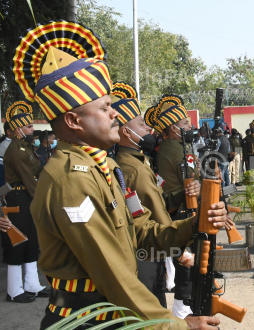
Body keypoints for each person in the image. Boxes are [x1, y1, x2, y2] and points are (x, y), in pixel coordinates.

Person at [13, 21, 226, 329]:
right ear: (73, 120)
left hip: (115, 316)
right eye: (105, 108)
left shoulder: (106, 169)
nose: (115, 114)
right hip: (86, 320)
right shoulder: (70, 179)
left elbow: (140, 233)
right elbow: (110, 272)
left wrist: (195, 224)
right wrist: (178, 325)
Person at [114, 82, 189, 310]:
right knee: (152, 309)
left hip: (153, 247)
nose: (148, 128)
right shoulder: (132, 167)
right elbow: (153, 210)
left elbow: (156, 200)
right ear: (126, 131)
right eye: (141, 124)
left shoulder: (138, 161)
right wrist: (178, 248)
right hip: (146, 250)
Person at [153, 94, 202, 318]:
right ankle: (182, 307)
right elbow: (190, 180)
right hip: (181, 209)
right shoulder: (175, 150)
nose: (189, 126)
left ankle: (184, 303)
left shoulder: (177, 147)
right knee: (187, 260)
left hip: (181, 207)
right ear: (174, 129)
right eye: (184, 123)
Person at [2, 101, 48, 304]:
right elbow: (29, 179)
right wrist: (42, 200)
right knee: (17, 240)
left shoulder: (26, 148)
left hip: (27, 196)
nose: (32, 130)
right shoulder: (16, 150)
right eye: (29, 127)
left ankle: (31, 284)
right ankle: (13, 290)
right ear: (18, 129)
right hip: (18, 198)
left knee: (31, 241)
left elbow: (37, 172)